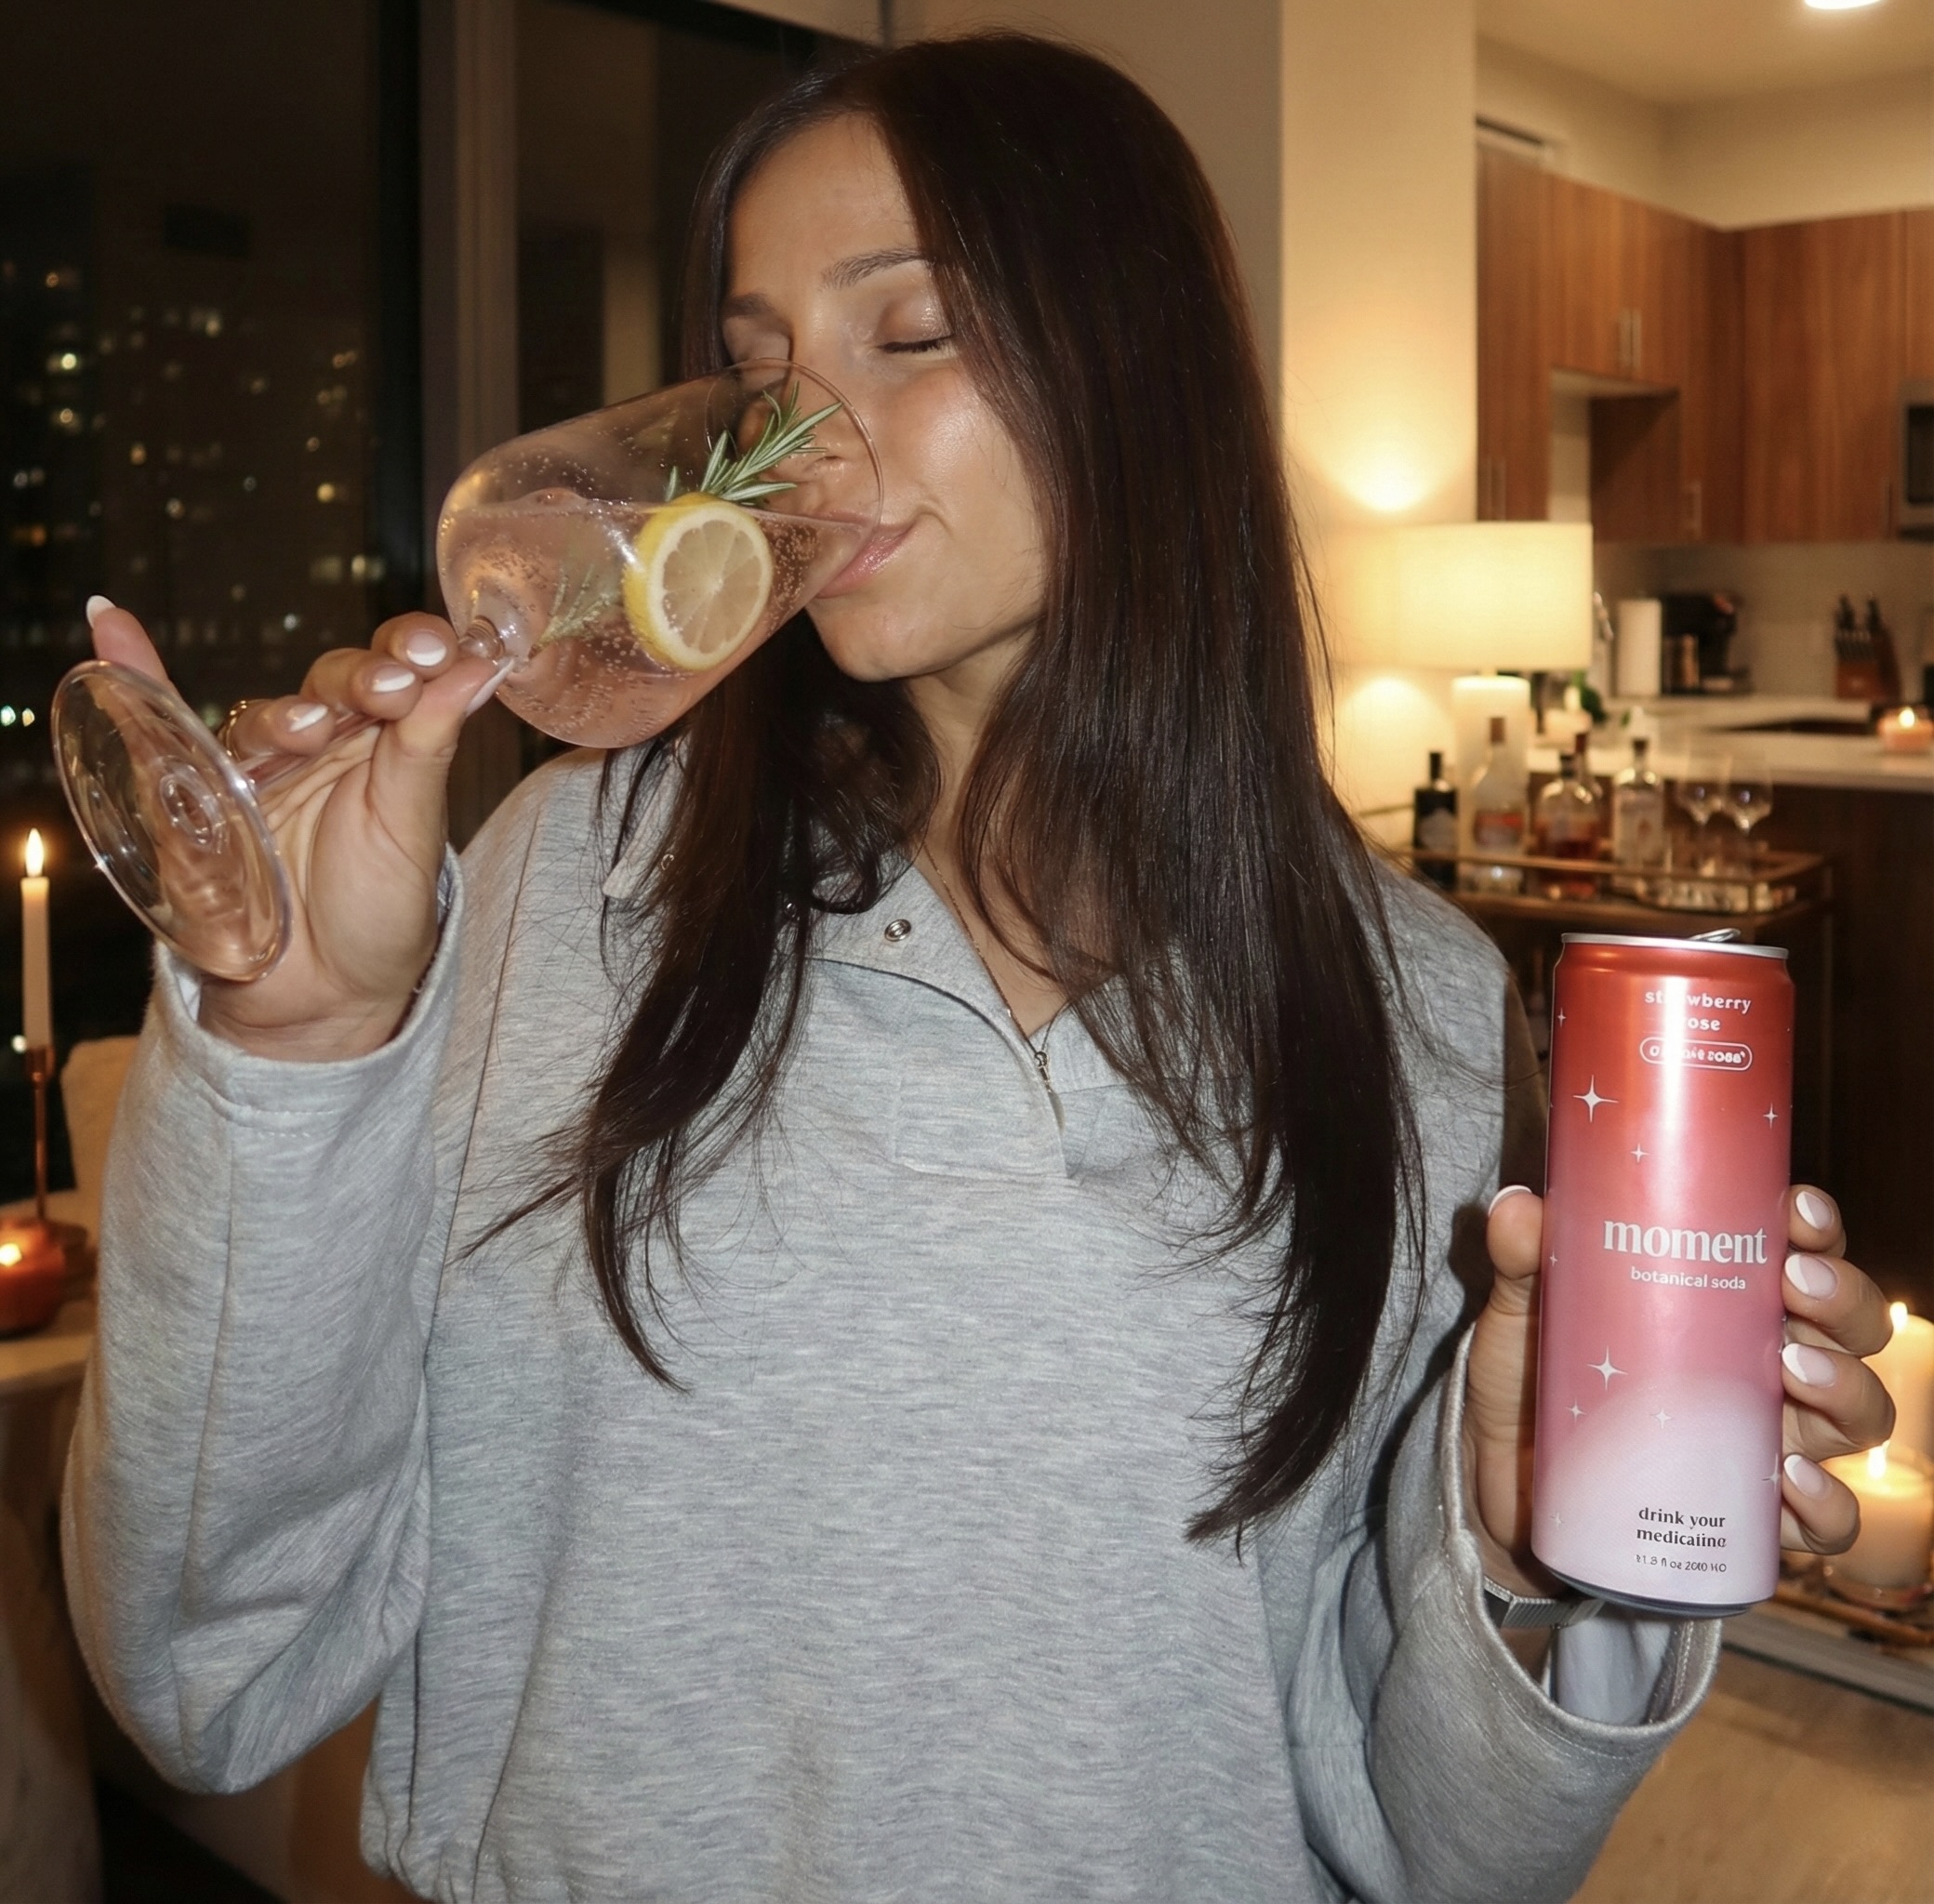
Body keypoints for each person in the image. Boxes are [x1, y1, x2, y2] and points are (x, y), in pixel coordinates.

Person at [64, 34, 1890, 1903]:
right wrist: (295, 1043)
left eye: (910, 332)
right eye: (761, 363)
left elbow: (1449, 1855)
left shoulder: (1411, 1007)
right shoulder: (578, 882)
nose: (794, 442)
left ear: (1133, 359)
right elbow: (212, 1671)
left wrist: (1511, 1542)